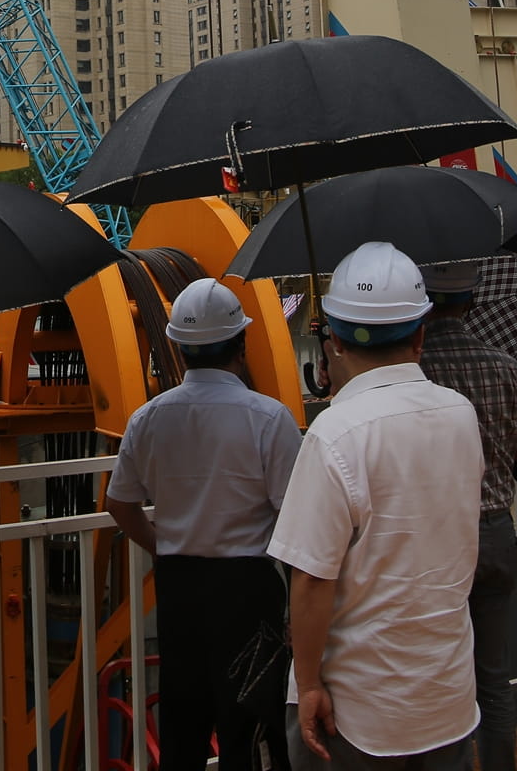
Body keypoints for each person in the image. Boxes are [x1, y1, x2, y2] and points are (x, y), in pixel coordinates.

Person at [269, 241, 484, 770]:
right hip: (447, 697)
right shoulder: (460, 414)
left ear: (335, 340)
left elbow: (313, 578)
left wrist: (309, 682)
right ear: (420, 334)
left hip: (359, 710)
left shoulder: (335, 433)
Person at [107, 278, 302, 771]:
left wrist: (162, 545)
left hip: (180, 586)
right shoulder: (269, 418)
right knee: (253, 725)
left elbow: (119, 504)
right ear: (241, 343)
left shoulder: (148, 418)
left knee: (184, 722)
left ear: (177, 347)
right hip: (248, 589)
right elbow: (297, 520)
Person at [416, 263, 517, 771]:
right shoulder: (507, 367)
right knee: (494, 675)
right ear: (472, 302)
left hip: (439, 540)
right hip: (497, 530)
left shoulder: (416, 371)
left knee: (440, 672)